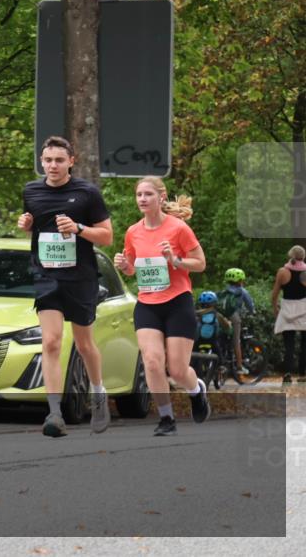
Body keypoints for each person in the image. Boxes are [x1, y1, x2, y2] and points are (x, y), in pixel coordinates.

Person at [17, 136, 114, 438]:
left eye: (59, 160)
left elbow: (107, 236)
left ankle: (98, 393)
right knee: (51, 342)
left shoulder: (87, 193)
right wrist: (27, 224)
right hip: (46, 277)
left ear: (72, 161)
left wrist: (79, 228)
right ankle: (54, 413)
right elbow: (37, 225)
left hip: (81, 278)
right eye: (47, 160)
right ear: (41, 161)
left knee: (84, 344)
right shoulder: (32, 191)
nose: (53, 165)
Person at [114, 176, 209, 436]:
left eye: (148, 194)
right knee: (153, 362)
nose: (142, 199)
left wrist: (175, 259)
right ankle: (166, 418)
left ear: (161, 198)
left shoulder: (178, 229)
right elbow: (133, 268)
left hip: (177, 302)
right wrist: (124, 266)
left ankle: (196, 391)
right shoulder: (133, 231)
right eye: (139, 195)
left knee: (177, 371)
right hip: (147, 304)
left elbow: (200, 263)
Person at [272, 245, 306, 385]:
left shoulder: (283, 272)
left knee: (289, 344)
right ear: (303, 257)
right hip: (304, 309)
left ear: (290, 256)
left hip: (287, 310)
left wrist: (275, 308)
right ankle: (303, 374)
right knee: (304, 344)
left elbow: (274, 294)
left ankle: (287, 374)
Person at [218, 268, 256, 375]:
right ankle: (239, 366)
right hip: (233, 317)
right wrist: (253, 312)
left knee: (221, 337)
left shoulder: (224, 291)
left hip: (221, 316)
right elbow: (250, 306)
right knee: (236, 341)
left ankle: (221, 360)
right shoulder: (242, 291)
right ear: (240, 280)